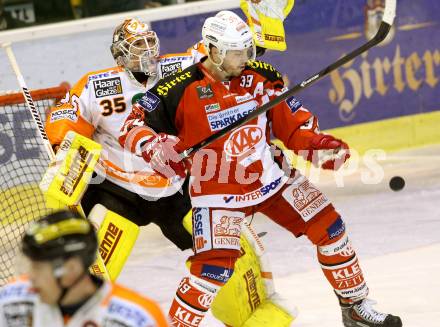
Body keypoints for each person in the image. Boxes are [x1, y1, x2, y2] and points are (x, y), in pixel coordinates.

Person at [119, 10, 403, 327]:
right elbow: (132, 125)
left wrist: (318, 146)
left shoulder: (261, 77)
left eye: (248, 50)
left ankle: (355, 308)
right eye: (236, 52)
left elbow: (293, 126)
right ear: (212, 50)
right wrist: (153, 146)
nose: (245, 58)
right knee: (212, 270)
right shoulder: (176, 89)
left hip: (272, 177)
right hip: (217, 190)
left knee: (331, 229)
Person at [45, 17, 295, 326]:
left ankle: (245, 312)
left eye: (150, 41)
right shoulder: (96, 85)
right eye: (137, 46)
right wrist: (61, 143)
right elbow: (66, 115)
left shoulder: (179, 67)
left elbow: (222, 54)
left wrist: (259, 32)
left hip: (176, 187)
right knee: (89, 261)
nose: (147, 51)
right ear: (119, 54)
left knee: (231, 247)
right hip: (116, 190)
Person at [0, 209, 170, 327]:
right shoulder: (10, 301)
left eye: (38, 268)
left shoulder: (136, 319)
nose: (30, 278)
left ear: (71, 268)